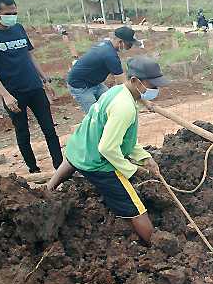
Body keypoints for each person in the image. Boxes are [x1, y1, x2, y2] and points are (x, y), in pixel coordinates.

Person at [46, 57, 169, 244]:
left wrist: (144, 157)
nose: (155, 90)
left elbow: (119, 138)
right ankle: (156, 244)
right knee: (135, 206)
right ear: (135, 81)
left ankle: (47, 191)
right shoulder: (125, 107)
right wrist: (131, 170)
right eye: (152, 85)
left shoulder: (116, 91)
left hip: (81, 147)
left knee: (71, 161)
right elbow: (107, 148)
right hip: (98, 162)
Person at [0, 0, 63, 174]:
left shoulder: (19, 28)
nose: (12, 17)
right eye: (8, 14)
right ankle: (33, 169)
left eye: (14, 12)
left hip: (35, 88)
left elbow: (30, 56)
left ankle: (59, 166)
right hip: (13, 93)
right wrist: (6, 95)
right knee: (23, 132)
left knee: (49, 129)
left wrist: (44, 80)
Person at [66, 26, 137, 113]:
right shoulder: (110, 55)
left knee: (111, 102)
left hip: (94, 83)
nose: (130, 47)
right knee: (95, 114)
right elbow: (123, 84)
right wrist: (138, 98)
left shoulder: (106, 45)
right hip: (80, 86)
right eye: (129, 45)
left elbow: (118, 76)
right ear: (120, 42)